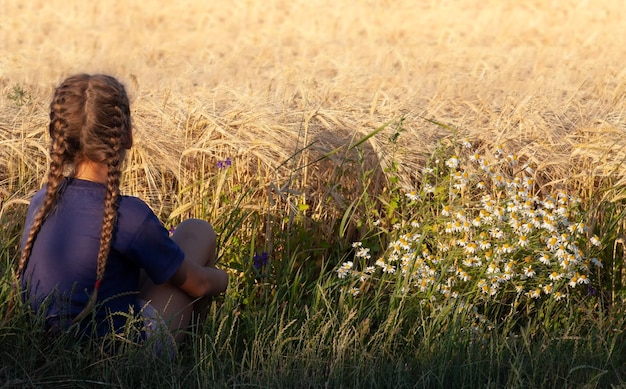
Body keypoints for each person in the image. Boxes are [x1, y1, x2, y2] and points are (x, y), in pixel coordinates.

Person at [17, 73, 228, 349]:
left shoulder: (41, 200)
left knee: (154, 263)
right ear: (126, 135)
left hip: (50, 345)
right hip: (119, 353)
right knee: (196, 232)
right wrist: (223, 279)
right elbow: (198, 284)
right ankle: (191, 357)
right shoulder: (128, 215)